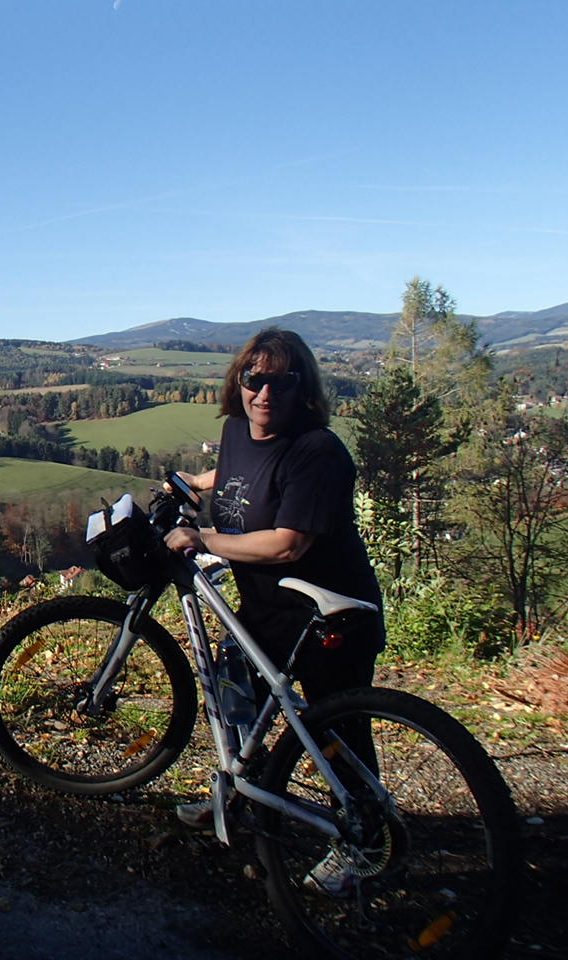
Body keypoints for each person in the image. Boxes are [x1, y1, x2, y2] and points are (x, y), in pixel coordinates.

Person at [163, 327, 385, 896]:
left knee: (339, 734)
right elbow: (239, 473)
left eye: (280, 382)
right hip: (265, 612)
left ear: (302, 389)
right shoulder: (239, 429)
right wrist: (196, 481)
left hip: (328, 615)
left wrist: (203, 537)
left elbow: (287, 543)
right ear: (238, 382)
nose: (264, 393)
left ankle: (367, 845)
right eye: (253, 379)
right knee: (240, 705)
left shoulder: (317, 452)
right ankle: (240, 799)